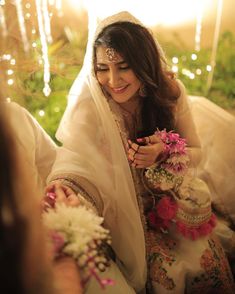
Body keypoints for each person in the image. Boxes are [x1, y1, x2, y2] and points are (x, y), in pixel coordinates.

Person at [47, 11, 235, 293]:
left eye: (123, 67)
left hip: (171, 203)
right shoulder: (94, 105)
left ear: (143, 63)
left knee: (202, 264)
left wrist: (165, 153)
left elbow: (197, 152)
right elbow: (74, 155)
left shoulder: (171, 93)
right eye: (102, 68)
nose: (113, 80)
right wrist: (62, 187)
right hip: (122, 213)